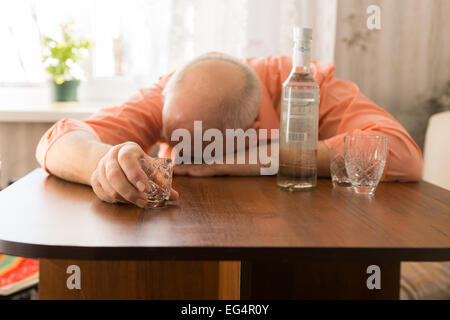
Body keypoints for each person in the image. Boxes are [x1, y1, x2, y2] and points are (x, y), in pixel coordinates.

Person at [36, 53, 423, 208]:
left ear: (251, 129)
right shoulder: (176, 90)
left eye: (203, 148)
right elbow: (58, 140)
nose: (180, 151)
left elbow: (403, 154)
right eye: (174, 138)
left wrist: (261, 160)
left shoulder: (307, 84)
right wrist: (103, 164)